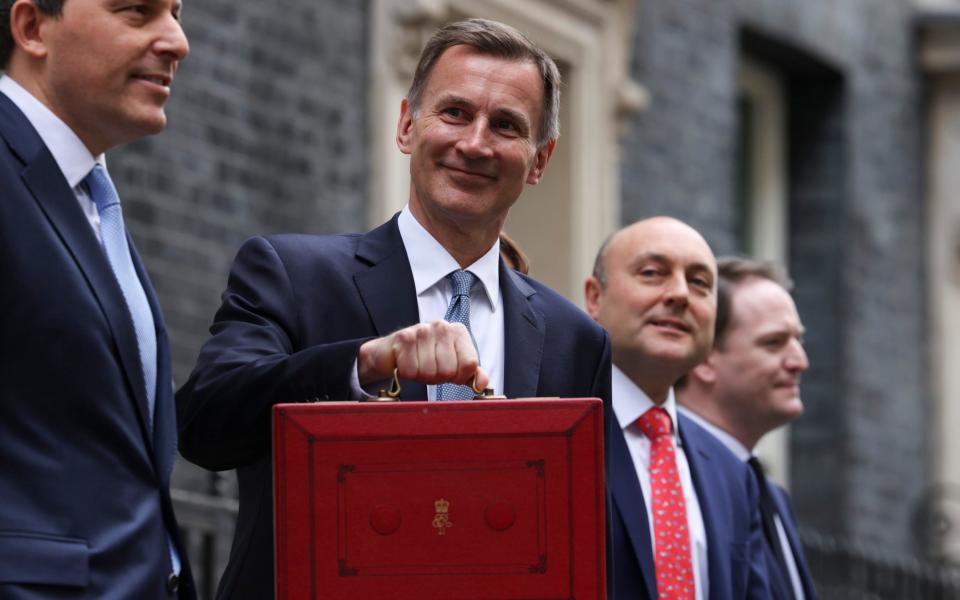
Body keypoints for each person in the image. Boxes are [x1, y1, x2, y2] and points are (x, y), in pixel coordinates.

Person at [176, 18, 611, 600]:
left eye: (506, 125)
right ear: (407, 125)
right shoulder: (293, 273)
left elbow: (581, 539)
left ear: (539, 159)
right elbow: (203, 424)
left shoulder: (575, 339)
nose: (476, 143)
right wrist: (363, 365)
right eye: (454, 113)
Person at [0, 0, 193, 598]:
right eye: (137, 12)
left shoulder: (87, 196)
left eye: (176, 12)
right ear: (33, 28)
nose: (177, 42)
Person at [584, 217, 770, 599]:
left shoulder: (733, 473)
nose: (680, 294)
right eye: (653, 273)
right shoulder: (559, 438)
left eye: (700, 282)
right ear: (594, 297)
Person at [676, 257, 816, 599]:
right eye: (773, 343)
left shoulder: (771, 495)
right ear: (705, 357)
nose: (800, 361)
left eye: (798, 340)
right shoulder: (673, 482)